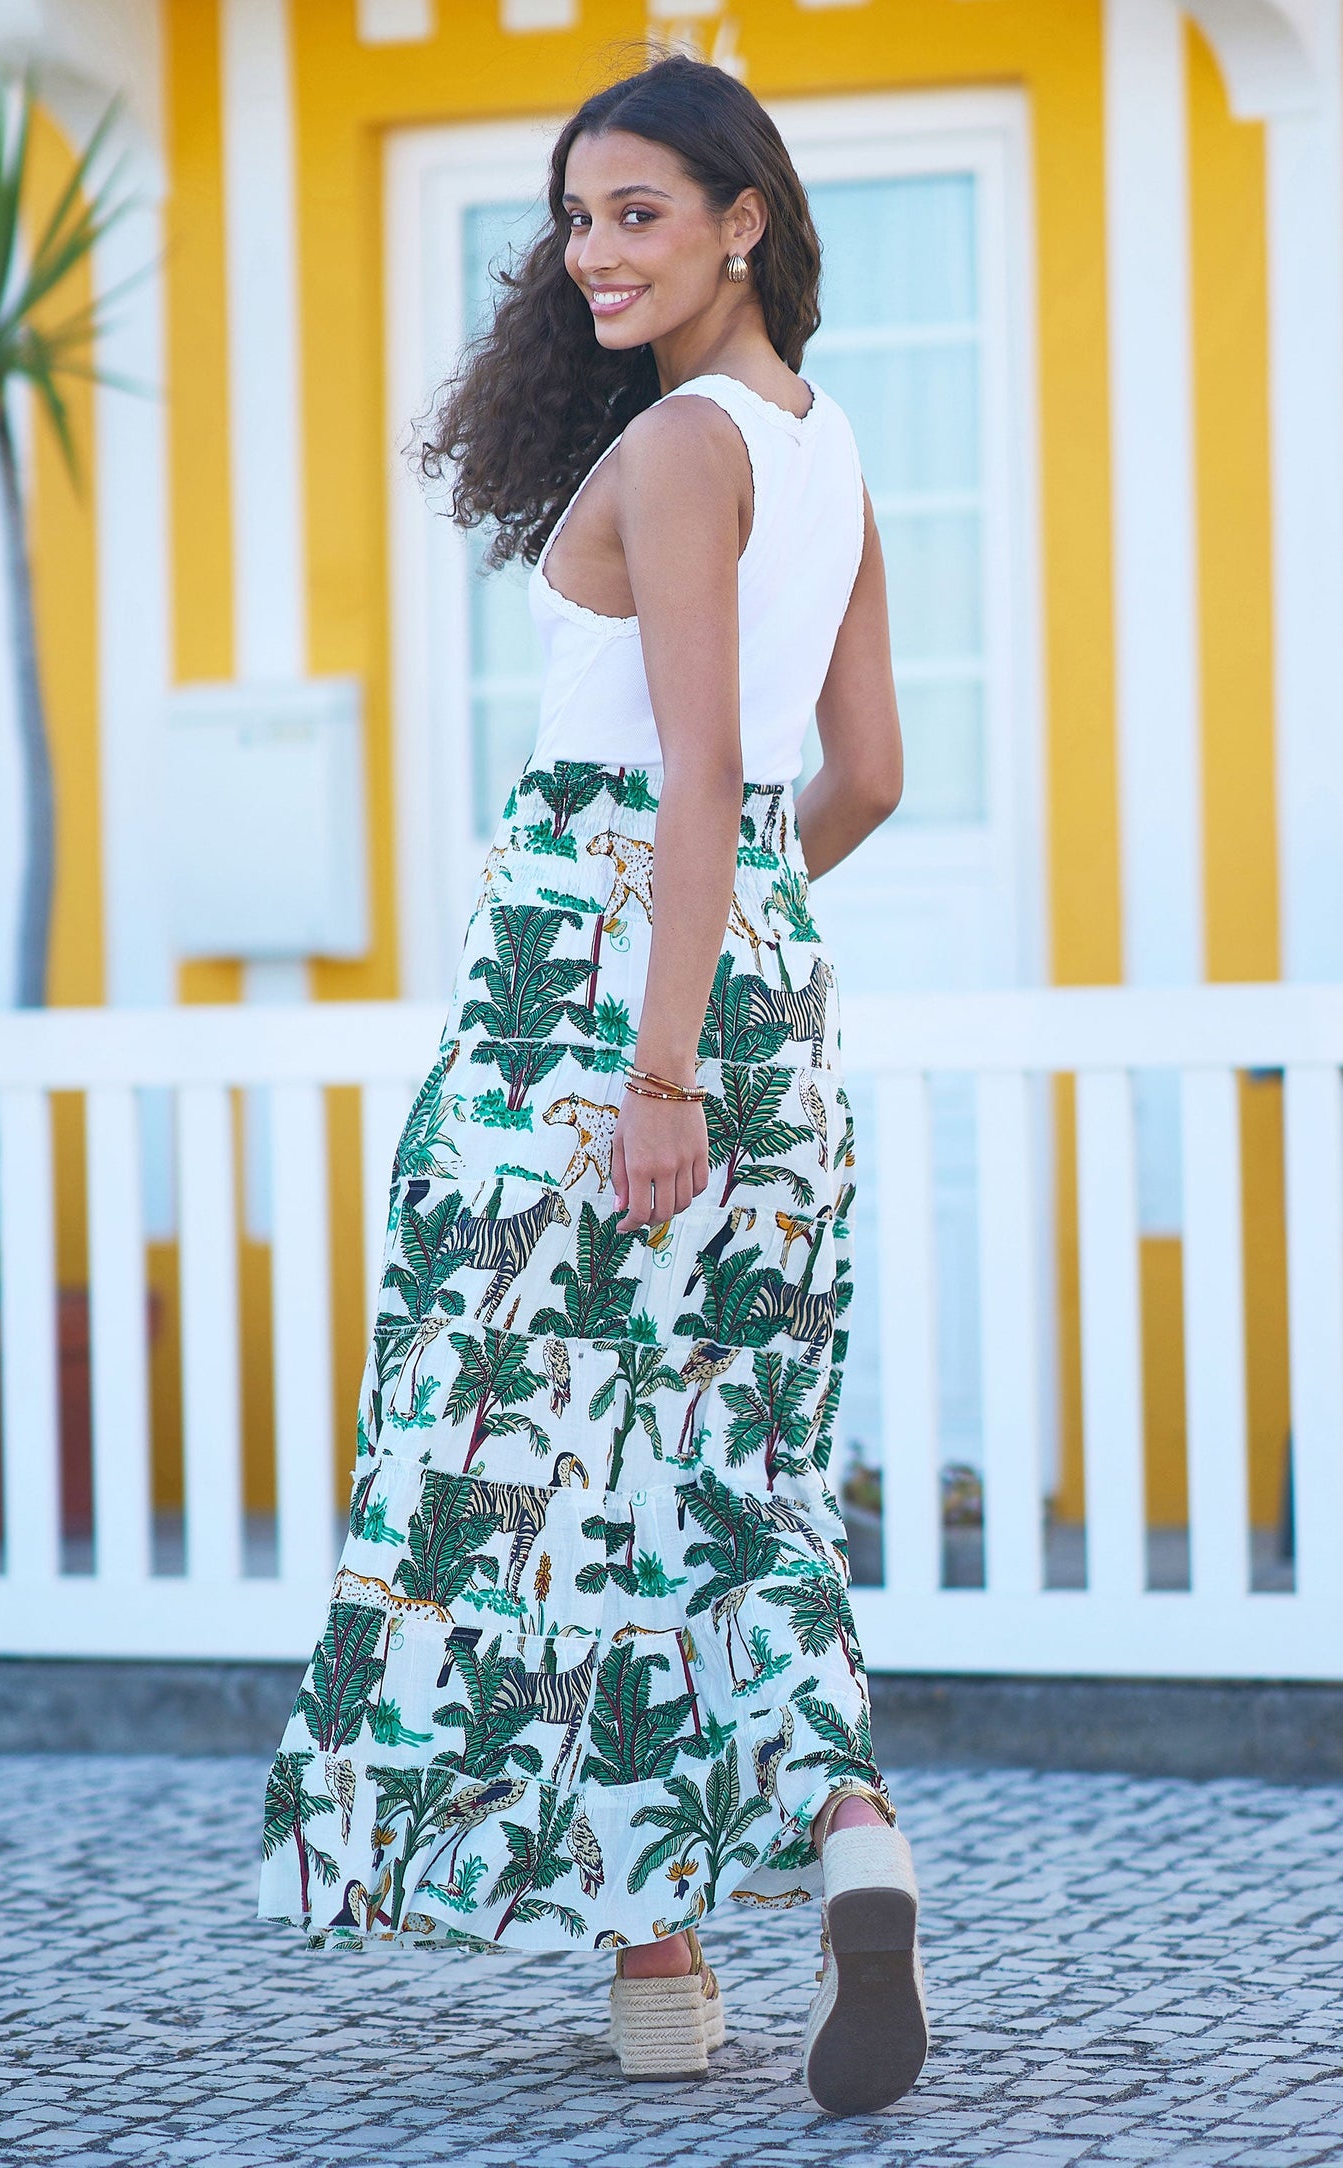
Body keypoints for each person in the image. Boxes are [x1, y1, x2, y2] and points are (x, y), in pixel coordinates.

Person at [258, 50, 924, 2119]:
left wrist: (656, 1056)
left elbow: (700, 771)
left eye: (641, 210)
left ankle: (673, 1931)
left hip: (590, 1028)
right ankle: (812, 1868)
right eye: (575, 215)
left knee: (510, 1445)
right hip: (763, 1009)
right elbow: (873, 779)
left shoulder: (676, 462)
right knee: (727, 1460)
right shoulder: (826, 448)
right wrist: (735, 978)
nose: (594, 250)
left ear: (746, 218)